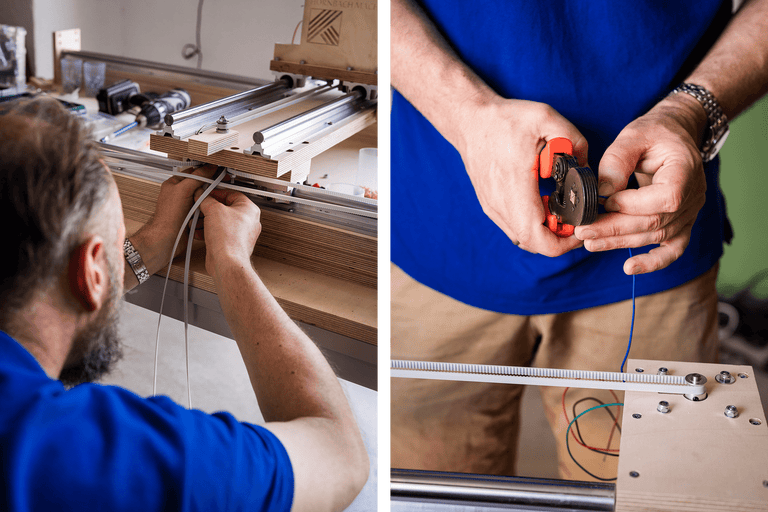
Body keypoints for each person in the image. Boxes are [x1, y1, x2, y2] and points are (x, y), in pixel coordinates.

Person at [389, 0, 768, 480]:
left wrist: (690, 112)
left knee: (651, 491)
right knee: (433, 495)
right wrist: (467, 114)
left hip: (652, 253)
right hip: (434, 237)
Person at [0, 97, 368, 511]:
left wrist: (147, 247)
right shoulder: (92, 457)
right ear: (92, 273)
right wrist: (231, 261)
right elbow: (341, 459)